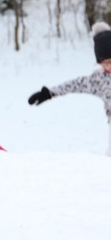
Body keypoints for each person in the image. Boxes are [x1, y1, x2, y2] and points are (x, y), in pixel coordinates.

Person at [28, 21, 111, 155]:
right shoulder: (98, 80)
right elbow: (75, 84)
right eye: (104, 63)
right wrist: (50, 93)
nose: (108, 66)